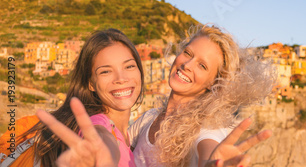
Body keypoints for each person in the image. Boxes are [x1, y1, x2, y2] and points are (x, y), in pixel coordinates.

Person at [129, 25, 275, 167]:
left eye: (202, 66)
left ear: (214, 83)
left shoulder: (207, 128)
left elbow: (210, 149)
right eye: (188, 53)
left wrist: (212, 163)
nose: (187, 65)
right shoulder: (148, 119)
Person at [20, 28, 144, 167]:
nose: (121, 79)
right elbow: (100, 135)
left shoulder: (130, 134)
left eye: (129, 66)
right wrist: (100, 153)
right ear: (90, 83)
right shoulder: (98, 124)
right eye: (105, 71)